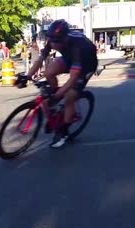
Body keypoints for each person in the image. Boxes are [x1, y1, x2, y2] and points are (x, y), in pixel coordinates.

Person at [20, 19, 98, 148]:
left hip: (86, 64)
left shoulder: (76, 46)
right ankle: (56, 98)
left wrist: (58, 95)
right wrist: (27, 76)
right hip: (69, 59)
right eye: (51, 40)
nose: (54, 44)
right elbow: (40, 60)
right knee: (48, 72)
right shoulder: (52, 39)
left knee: (69, 96)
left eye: (57, 41)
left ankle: (64, 131)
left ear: (65, 38)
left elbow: (73, 79)